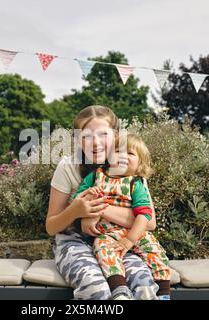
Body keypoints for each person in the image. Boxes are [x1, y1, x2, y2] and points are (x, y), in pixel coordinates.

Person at [46, 105, 159, 300]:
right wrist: (74, 211)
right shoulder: (68, 167)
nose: (95, 143)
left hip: (118, 240)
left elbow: (149, 223)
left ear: (115, 135)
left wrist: (98, 210)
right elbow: (51, 226)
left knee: (143, 286)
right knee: (96, 289)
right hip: (75, 243)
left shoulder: (130, 167)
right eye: (86, 136)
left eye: (103, 134)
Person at [72, 133, 171, 300]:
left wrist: (130, 240)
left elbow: (144, 215)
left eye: (130, 154)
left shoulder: (135, 183)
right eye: (118, 151)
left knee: (155, 250)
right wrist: (88, 194)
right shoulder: (96, 176)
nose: (123, 156)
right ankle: (119, 288)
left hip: (134, 232)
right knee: (103, 249)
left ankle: (163, 292)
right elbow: (77, 201)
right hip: (107, 233)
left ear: (140, 164)